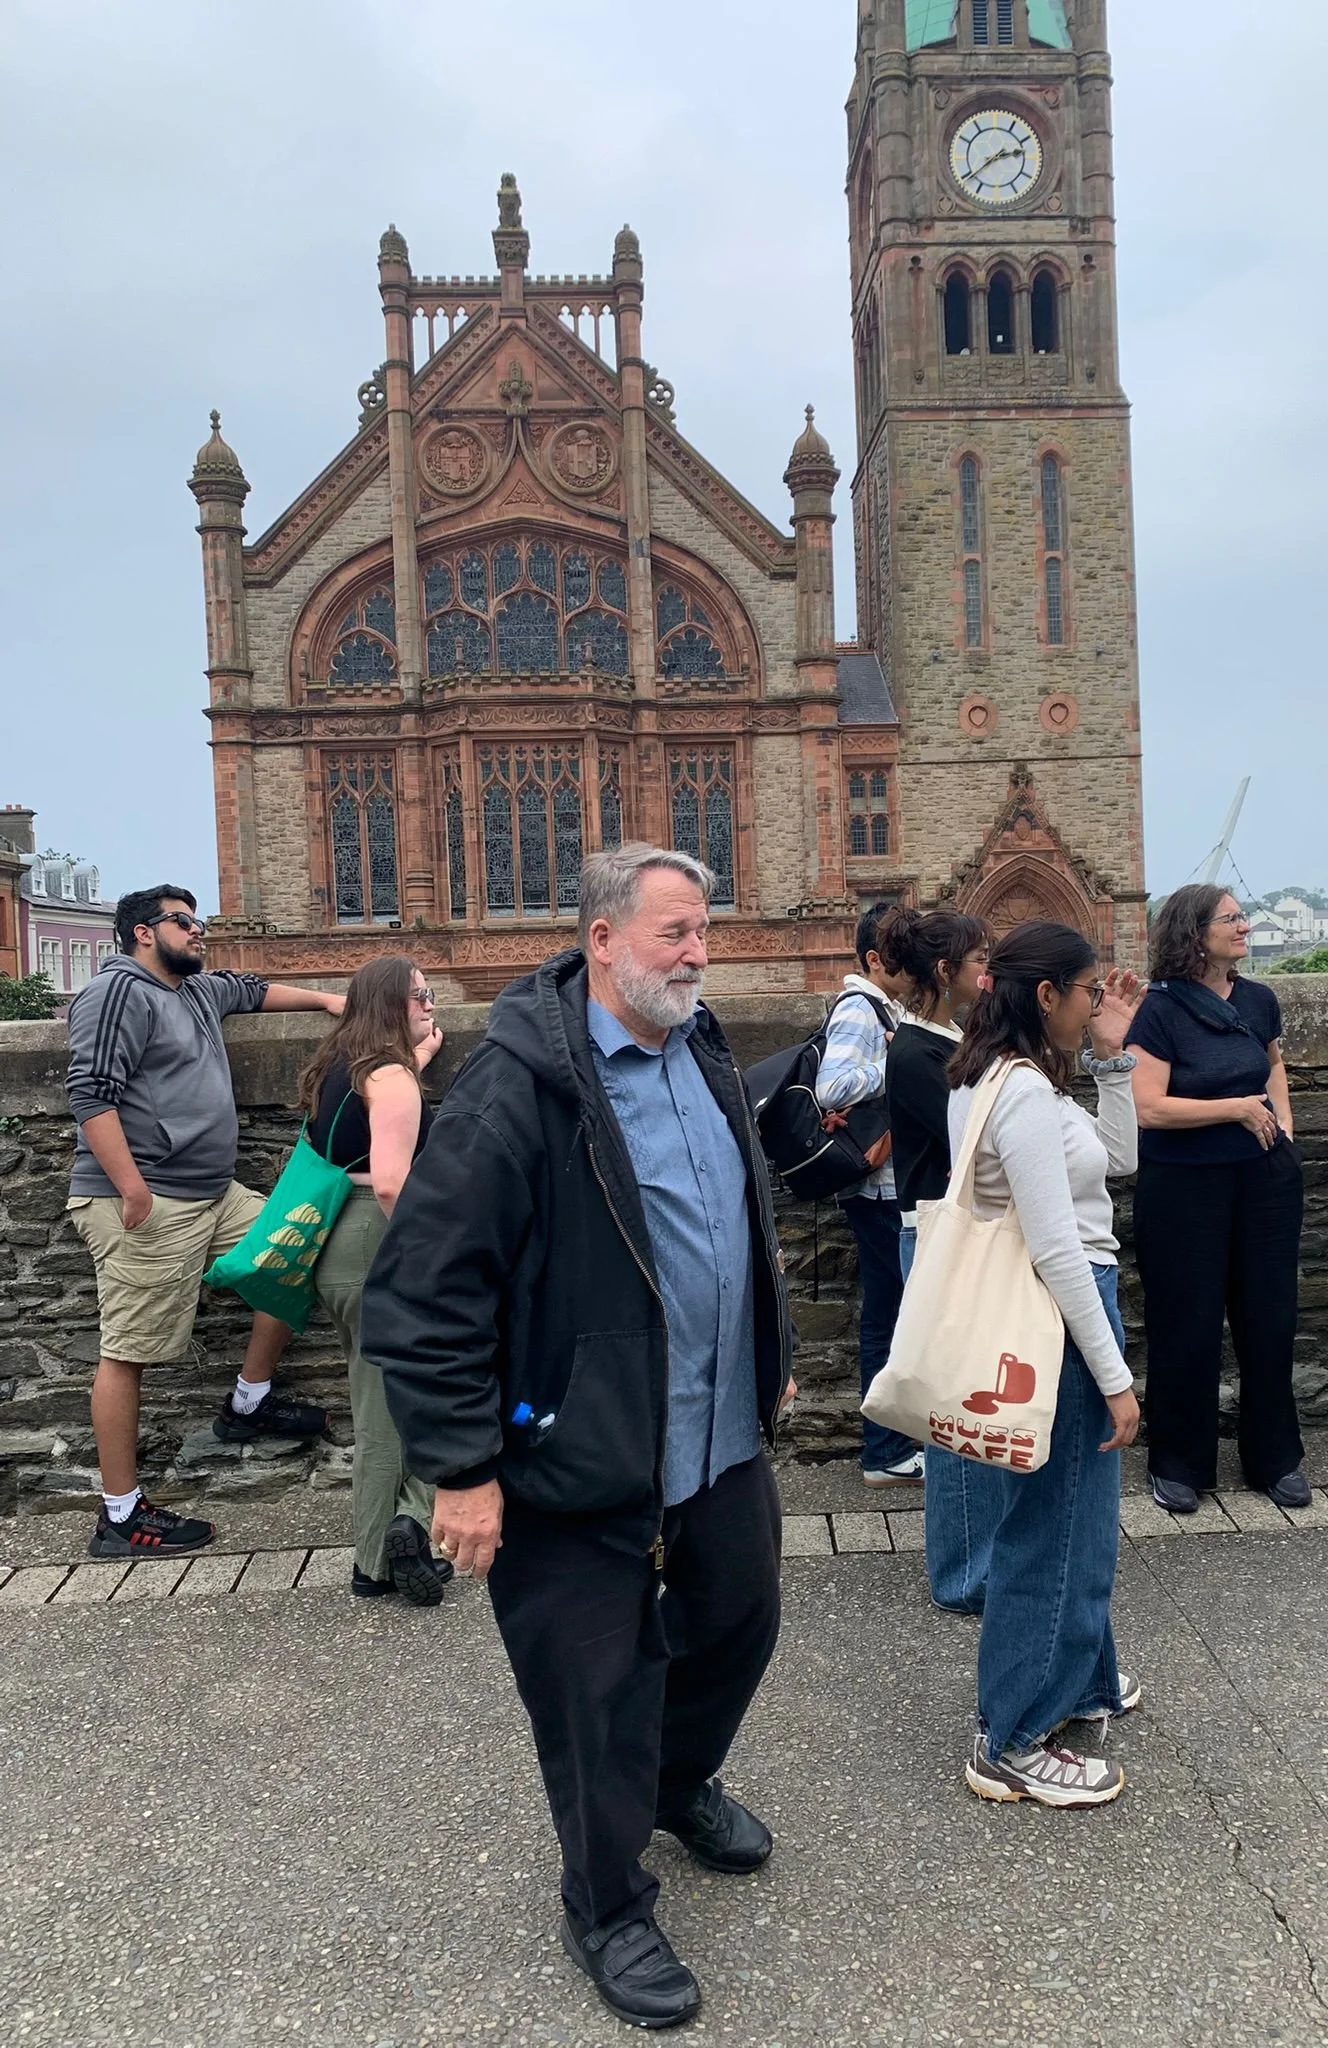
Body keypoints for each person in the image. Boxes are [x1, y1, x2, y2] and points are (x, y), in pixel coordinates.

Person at [361, 845, 794, 2032]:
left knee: (741, 1617)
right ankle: (606, 1903)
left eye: (703, 929)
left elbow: (727, 1221)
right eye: (675, 932)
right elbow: (422, 1293)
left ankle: (673, 1781)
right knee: (595, 1688)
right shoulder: (517, 1087)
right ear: (603, 940)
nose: (698, 951)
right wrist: (460, 1467)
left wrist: (771, 1351)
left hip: (712, 1435)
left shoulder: (699, 1048)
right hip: (569, 1450)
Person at [65, 886, 344, 1560]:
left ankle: (247, 1404)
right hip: (148, 1198)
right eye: (184, 922)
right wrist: (133, 1192)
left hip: (212, 1194)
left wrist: (333, 1001)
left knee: (296, 1249)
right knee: (130, 1349)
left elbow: (251, 989)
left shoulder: (195, 990)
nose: (199, 932)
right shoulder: (118, 993)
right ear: (141, 932)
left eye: (201, 922)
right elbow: (89, 1092)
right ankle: (120, 1515)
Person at [947, 922, 1144, 1808]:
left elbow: (1120, 1160)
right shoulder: (1019, 1095)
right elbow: (1058, 1249)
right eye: (1088, 990)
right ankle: (1014, 1732)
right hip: (1063, 1314)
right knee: (1052, 1524)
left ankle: (1079, 1680)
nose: (1097, 1002)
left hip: (1068, 1309)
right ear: (1044, 996)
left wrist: (1113, 1061)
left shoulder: (1014, 1083)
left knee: (1077, 1516)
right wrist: (1115, 1377)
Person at [1125, 886, 1310, 1515]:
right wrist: (1234, 1109)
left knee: (1269, 1318)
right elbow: (1148, 1107)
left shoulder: (1259, 999)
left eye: (1241, 917)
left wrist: (1282, 1126)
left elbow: (1271, 1065)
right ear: (1192, 932)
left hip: (1263, 1181)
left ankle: (1274, 1458)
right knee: (1187, 1322)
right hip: (1184, 1186)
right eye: (1229, 919)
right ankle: (1180, 1463)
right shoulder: (1159, 1011)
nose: (1243, 925)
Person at [297, 957, 449, 1605]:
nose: (431, 1006)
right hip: (378, 1239)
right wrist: (432, 1252)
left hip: (339, 1241)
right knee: (389, 1407)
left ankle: (406, 1524)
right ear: (392, 1005)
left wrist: (419, 1058)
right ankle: (377, 1559)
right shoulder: (389, 1077)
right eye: (421, 997)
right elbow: (390, 1178)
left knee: (395, 1392)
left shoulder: (343, 1067)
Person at [880, 906, 996, 1612]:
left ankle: (977, 1557)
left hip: (958, 1236)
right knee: (952, 1414)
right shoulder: (917, 1054)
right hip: (935, 1238)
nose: (989, 974)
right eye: (979, 962)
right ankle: (959, 1573)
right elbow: (975, 1144)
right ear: (945, 972)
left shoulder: (949, 1041)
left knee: (973, 1404)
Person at [814, 902, 920, 1488]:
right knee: (890, 1316)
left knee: (890, 1312)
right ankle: (884, 1449)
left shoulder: (882, 1007)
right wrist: (896, 1061)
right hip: (879, 1188)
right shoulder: (861, 1008)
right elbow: (834, 1087)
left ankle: (889, 1446)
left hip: (884, 1186)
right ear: (876, 960)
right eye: (905, 958)